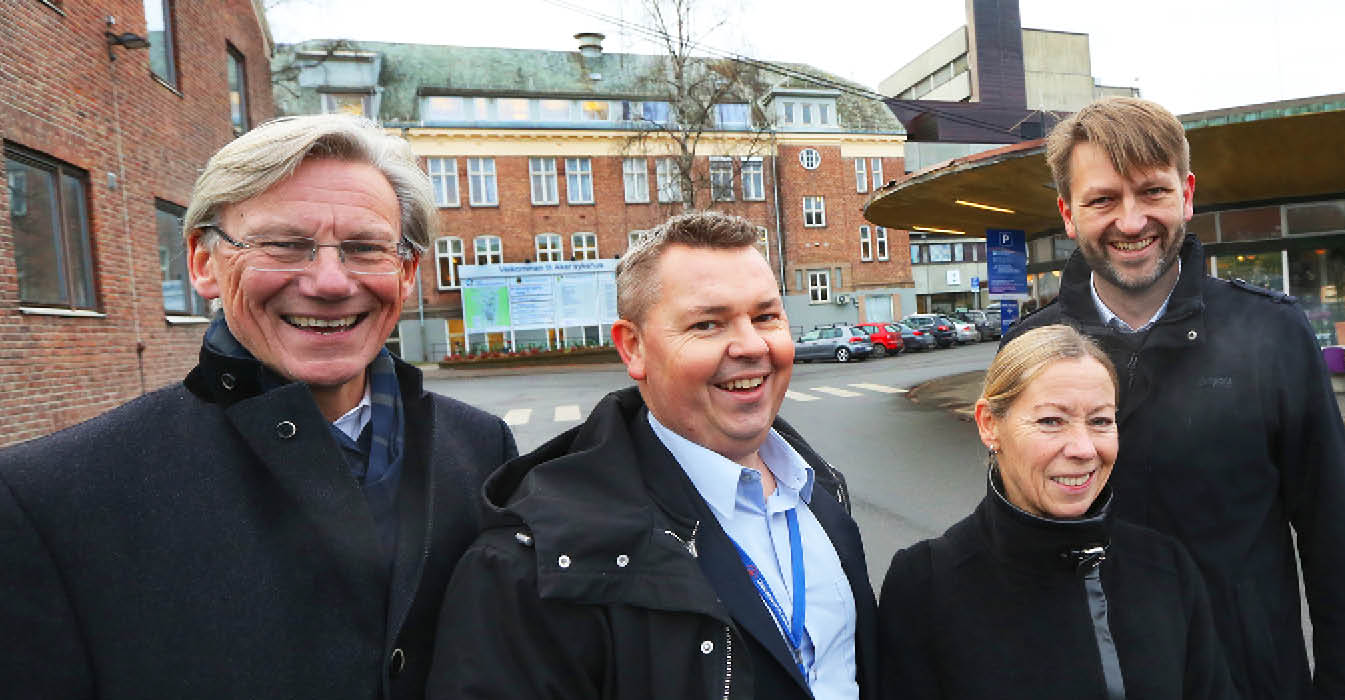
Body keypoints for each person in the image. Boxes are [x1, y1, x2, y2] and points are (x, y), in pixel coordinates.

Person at [0, 114, 519, 699]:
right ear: (203, 263)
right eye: (285, 245)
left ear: (405, 274)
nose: (329, 281)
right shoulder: (51, 498)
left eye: (364, 248)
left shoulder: (481, 450)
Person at [1002, 97, 1345, 698]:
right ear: (1068, 214)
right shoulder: (1030, 349)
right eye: (1103, 199)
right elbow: (1011, 540)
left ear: (1186, 195)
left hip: (1250, 680)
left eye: (1151, 192)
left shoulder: (1272, 333)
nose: (1131, 222)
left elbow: (1336, 542)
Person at [427, 211, 877, 700]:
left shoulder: (818, 488)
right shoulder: (530, 567)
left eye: (766, 317)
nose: (751, 346)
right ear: (633, 348)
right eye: (707, 324)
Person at [879, 324, 1236, 700]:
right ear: (989, 424)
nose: (1083, 448)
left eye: (1100, 421)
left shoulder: (1165, 569)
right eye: (1051, 421)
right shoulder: (926, 585)